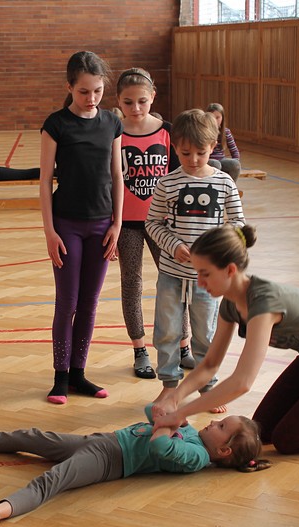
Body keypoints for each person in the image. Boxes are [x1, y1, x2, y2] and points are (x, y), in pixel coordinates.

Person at [151, 224, 299, 454]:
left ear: (230, 270)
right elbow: (210, 365)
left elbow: (242, 382)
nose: (199, 282)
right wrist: (174, 398)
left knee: (289, 440)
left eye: (205, 274)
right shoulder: (230, 303)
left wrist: (181, 414)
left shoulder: (263, 304)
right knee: (262, 431)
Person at [0, 404, 269, 527]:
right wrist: (162, 412)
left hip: (109, 460)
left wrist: (167, 424)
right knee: (32, 437)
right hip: (101, 441)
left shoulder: (197, 456)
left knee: (52, 480)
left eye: (221, 426)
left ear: (223, 450)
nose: (213, 422)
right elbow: (150, 412)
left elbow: (159, 446)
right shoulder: (195, 435)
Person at [39, 51, 124, 405]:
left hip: (102, 225)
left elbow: (117, 175)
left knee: (90, 303)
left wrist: (117, 223)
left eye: (98, 91)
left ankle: (78, 373)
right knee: (68, 302)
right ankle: (60, 376)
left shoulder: (112, 123)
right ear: (69, 87)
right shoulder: (56, 125)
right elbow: (45, 181)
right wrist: (50, 230)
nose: (91, 99)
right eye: (84, 92)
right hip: (67, 226)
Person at [146, 109, 245, 409]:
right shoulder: (167, 183)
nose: (193, 159)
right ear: (175, 147)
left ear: (213, 146)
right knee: (167, 330)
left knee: (206, 333)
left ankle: (207, 387)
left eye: (201, 153)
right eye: (185, 153)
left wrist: (218, 252)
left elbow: (238, 225)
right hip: (171, 273)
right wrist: (173, 244)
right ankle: (169, 386)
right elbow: (153, 223)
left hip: (209, 280)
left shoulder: (225, 183)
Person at [114, 68, 196, 380]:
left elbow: (179, 179)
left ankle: (184, 345)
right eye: (128, 102)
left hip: (163, 225)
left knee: (175, 282)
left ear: (153, 97)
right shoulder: (113, 132)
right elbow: (109, 181)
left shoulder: (167, 132)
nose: (135, 108)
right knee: (132, 284)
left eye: (142, 101)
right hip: (127, 225)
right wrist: (111, 225)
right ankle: (139, 350)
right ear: (118, 101)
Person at [205, 103, 241, 182]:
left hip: (221, 160)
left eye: (217, 117)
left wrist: (236, 161)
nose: (215, 120)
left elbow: (234, 150)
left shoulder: (226, 132)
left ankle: (230, 186)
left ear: (222, 118)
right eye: (212, 117)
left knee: (235, 164)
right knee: (215, 164)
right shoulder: (204, 131)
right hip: (208, 160)